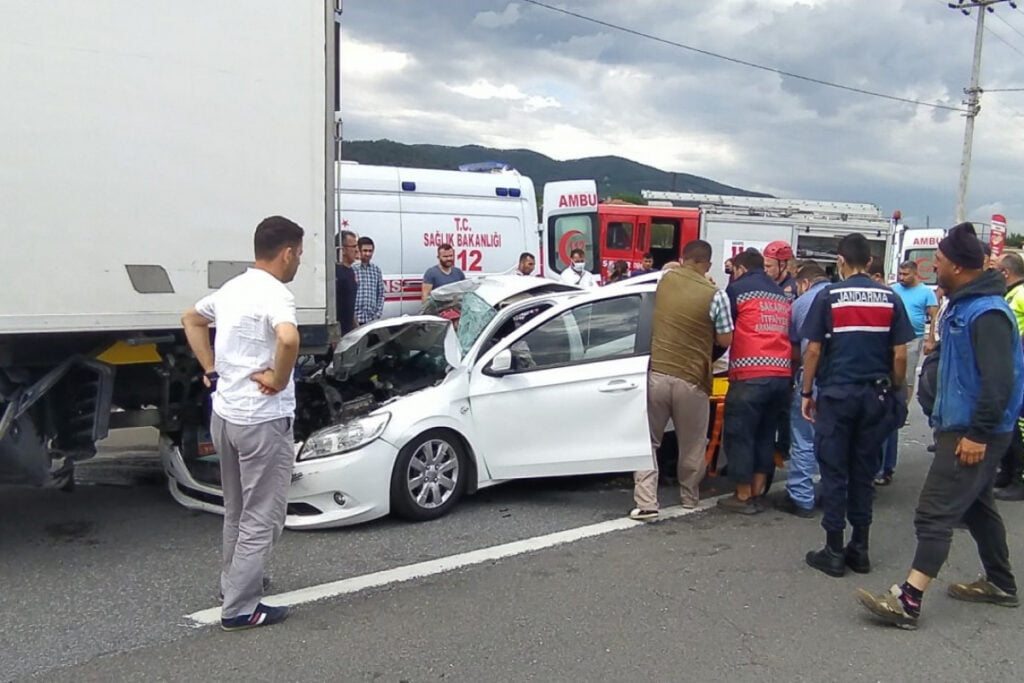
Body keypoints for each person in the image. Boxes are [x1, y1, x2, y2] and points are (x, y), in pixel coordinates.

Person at [857, 222, 1024, 629]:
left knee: (935, 511)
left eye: (943, 260)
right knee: (979, 507)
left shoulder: (987, 313)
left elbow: (999, 381)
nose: (936, 265)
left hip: (973, 431)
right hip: (961, 425)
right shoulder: (966, 305)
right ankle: (1001, 584)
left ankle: (908, 599)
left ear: (961, 267)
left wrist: (978, 434)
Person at [180, 216, 304, 631]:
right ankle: (239, 607)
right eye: (299, 253)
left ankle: (233, 582)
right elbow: (288, 339)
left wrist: (211, 369)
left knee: (236, 509)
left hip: (226, 414)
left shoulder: (233, 288)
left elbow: (191, 319)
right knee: (262, 515)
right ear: (287, 252)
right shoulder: (277, 295)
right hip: (262, 420)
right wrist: (278, 378)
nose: (299, 260)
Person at [800, 233, 915, 578]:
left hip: (837, 396)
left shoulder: (828, 296)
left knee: (835, 472)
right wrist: (894, 389)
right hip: (875, 397)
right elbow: (900, 354)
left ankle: (834, 549)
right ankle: (860, 548)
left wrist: (807, 393)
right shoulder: (890, 297)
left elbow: (814, 350)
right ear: (868, 262)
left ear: (840, 260)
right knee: (864, 473)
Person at [631, 240, 734, 520]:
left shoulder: (665, 280)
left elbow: (668, 268)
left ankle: (647, 502)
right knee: (692, 443)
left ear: (683, 258)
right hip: (692, 379)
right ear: (708, 265)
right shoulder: (716, 295)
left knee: (648, 442)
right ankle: (689, 496)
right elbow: (725, 338)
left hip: (658, 374)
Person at [717, 248, 792, 515]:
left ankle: (743, 495)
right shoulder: (779, 292)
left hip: (750, 375)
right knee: (764, 433)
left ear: (739, 268)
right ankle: (759, 491)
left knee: (740, 434)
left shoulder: (738, 289)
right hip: (781, 375)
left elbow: (724, 327)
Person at [775, 262, 830, 518]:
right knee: (833, 441)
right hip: (840, 381)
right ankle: (830, 493)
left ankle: (801, 497)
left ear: (804, 283)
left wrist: (803, 388)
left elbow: (797, 350)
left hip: (813, 378)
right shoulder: (842, 296)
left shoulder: (802, 302)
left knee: (804, 438)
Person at [994, 252, 1024, 501]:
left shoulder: (1021, 293)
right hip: (1013, 367)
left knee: (1021, 426)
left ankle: (1020, 480)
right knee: (1011, 424)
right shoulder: (1010, 293)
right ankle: (1007, 472)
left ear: (1005, 272)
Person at [353, 236, 384, 325]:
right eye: (365, 250)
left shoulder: (376, 270)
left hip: (371, 320)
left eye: (370, 251)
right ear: (359, 250)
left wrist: (377, 314)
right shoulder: (352, 269)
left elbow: (381, 294)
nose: (368, 254)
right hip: (355, 320)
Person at [335, 230, 359, 334]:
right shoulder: (336, 272)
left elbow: (349, 304)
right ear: (343, 250)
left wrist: (356, 326)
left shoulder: (351, 271)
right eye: (354, 246)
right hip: (339, 332)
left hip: (349, 331)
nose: (357, 250)